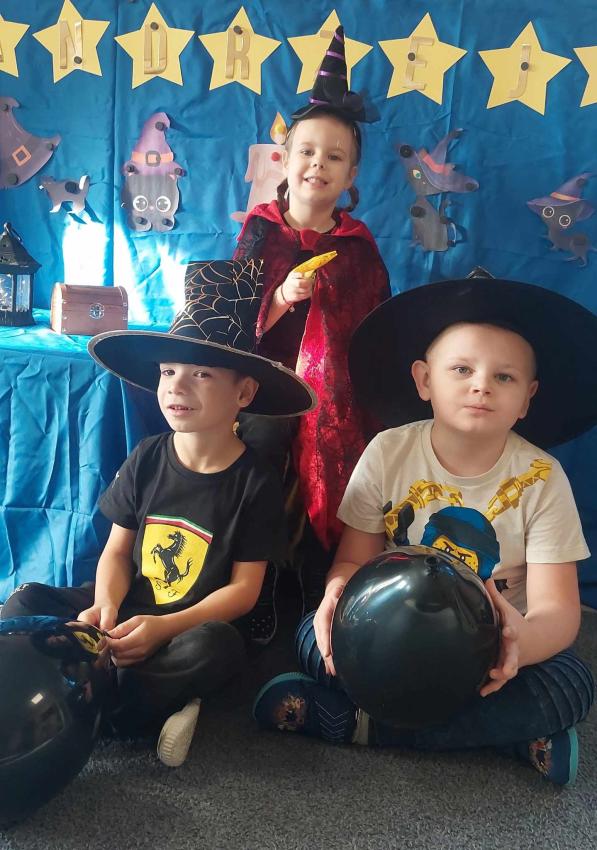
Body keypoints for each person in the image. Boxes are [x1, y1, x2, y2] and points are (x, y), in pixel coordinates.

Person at [253, 275, 597, 786]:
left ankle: (361, 725)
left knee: (571, 684)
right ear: (424, 379)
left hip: (488, 652)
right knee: (312, 637)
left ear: (527, 398)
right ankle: (507, 736)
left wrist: (522, 644)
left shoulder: (542, 478)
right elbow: (352, 561)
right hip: (386, 637)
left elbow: (559, 612)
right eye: (462, 369)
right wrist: (335, 595)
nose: (481, 385)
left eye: (504, 377)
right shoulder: (388, 452)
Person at [1, 258, 315, 768]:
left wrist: (164, 630)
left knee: (217, 648)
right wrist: (105, 608)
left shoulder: (255, 481)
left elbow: (243, 592)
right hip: (126, 604)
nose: (175, 387)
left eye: (201, 374)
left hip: (185, 625)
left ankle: (100, 701)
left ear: (244, 392)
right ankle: (128, 701)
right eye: (168, 371)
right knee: (25, 602)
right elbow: (117, 552)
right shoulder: (147, 456)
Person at [234, 26, 390, 623]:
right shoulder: (261, 229)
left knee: (348, 455)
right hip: (262, 385)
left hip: (334, 398)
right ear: (286, 156)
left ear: (351, 175)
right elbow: (231, 318)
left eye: (334, 157)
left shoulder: (358, 246)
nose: (317, 165)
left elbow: (373, 327)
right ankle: (258, 577)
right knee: (262, 443)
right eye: (307, 151)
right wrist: (280, 297)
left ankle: (318, 578)